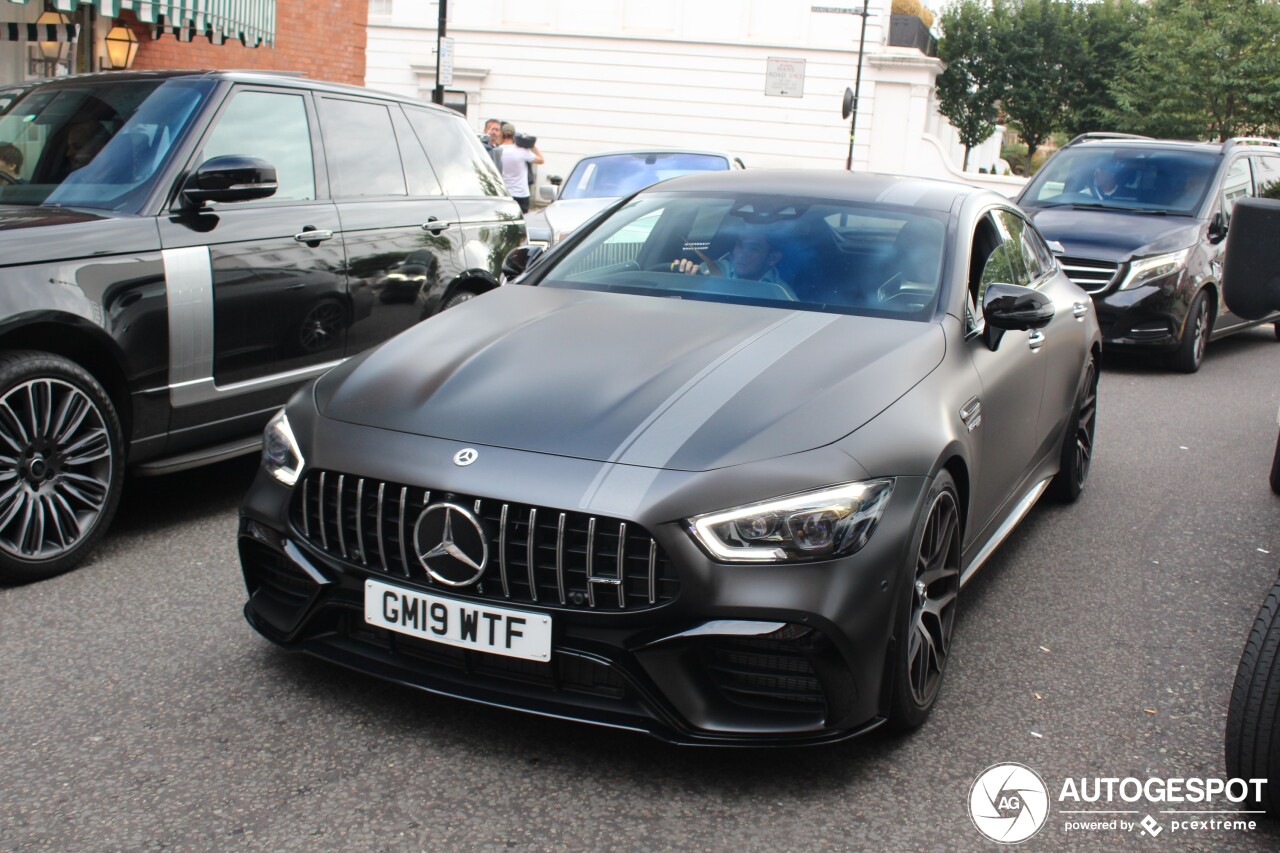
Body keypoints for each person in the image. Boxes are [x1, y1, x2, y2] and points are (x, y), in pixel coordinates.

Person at [670, 225, 796, 297]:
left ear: (772, 258)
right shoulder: (712, 270)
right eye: (739, 245)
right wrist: (686, 279)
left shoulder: (781, 294)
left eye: (753, 249)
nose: (741, 254)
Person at [497, 121, 543, 212]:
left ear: (502, 134)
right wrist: (532, 144)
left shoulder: (497, 151)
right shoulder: (522, 151)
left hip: (504, 193)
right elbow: (541, 160)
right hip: (522, 194)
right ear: (514, 135)